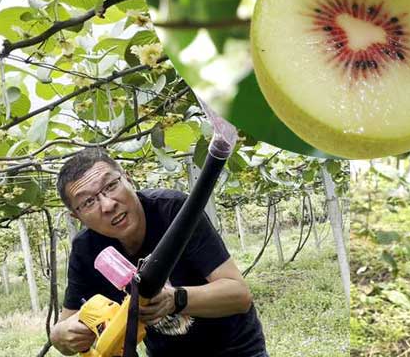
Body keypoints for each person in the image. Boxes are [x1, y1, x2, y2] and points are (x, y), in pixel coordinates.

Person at [50, 148, 268, 357]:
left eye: (111, 185)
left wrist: (175, 299)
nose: (107, 205)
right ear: (77, 217)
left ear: (128, 179)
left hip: (236, 350)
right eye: (88, 202)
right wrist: (63, 335)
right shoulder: (87, 249)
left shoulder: (175, 212)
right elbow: (63, 331)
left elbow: (240, 296)